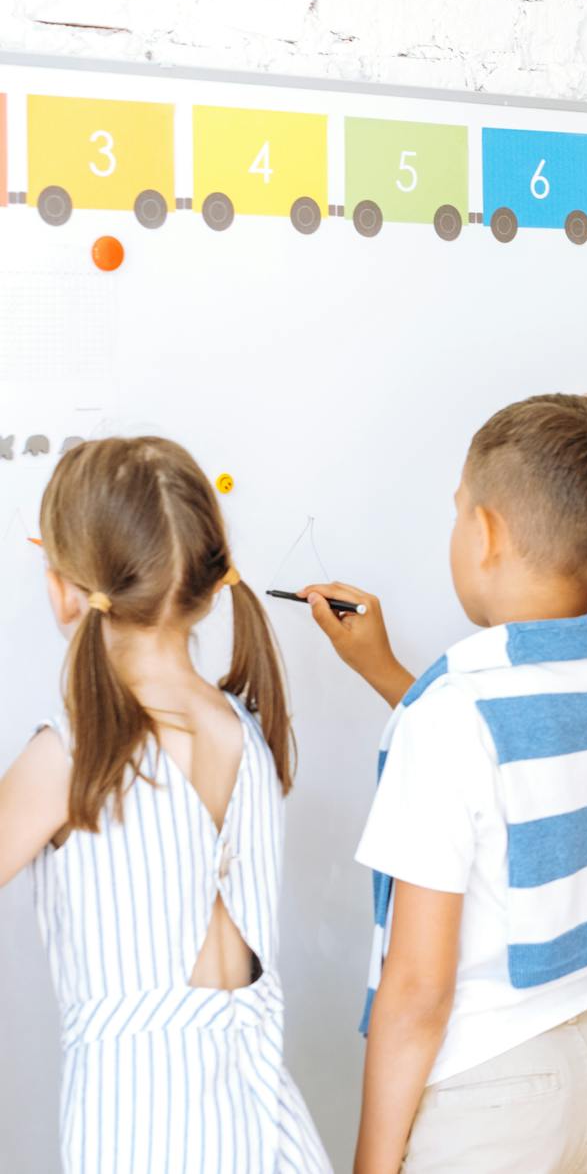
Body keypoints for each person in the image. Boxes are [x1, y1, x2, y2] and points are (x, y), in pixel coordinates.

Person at [302, 393, 587, 1174]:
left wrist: (373, 1161)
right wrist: (385, 671)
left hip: (491, 1092)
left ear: (486, 531)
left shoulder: (450, 717)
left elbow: (417, 987)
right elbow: (519, 748)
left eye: (458, 510)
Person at [0, 437, 330, 1173]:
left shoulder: (77, 753)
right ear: (210, 585)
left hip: (140, 1129)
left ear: (62, 587)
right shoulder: (246, 733)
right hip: (264, 1125)